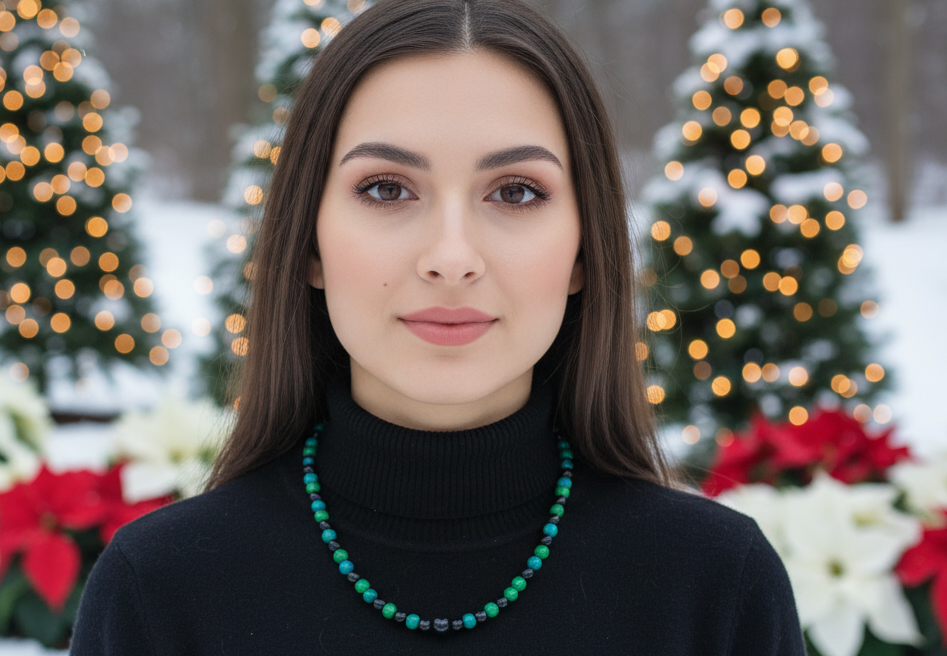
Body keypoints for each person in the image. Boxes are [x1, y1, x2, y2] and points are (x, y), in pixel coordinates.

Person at [70, 0, 807, 653]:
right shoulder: (161, 592)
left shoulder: (712, 585)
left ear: (585, 250)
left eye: (515, 191)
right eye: (386, 188)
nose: (451, 258)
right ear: (309, 245)